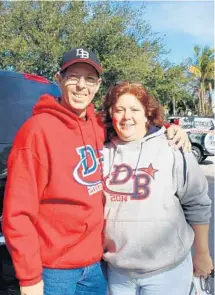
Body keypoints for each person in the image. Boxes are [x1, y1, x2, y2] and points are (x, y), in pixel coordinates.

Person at [2, 48, 190, 295]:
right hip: (55, 270)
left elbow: (131, 122)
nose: (81, 86)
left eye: (89, 79)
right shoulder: (36, 131)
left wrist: (167, 128)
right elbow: (17, 214)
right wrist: (29, 278)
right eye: (73, 77)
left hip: (95, 267)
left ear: (98, 85)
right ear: (59, 79)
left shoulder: (97, 125)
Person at [102, 81, 213, 295]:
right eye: (119, 109)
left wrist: (202, 253)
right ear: (111, 113)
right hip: (118, 275)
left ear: (147, 114)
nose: (127, 116)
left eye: (135, 109)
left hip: (166, 274)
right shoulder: (103, 151)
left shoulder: (173, 147)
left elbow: (197, 203)